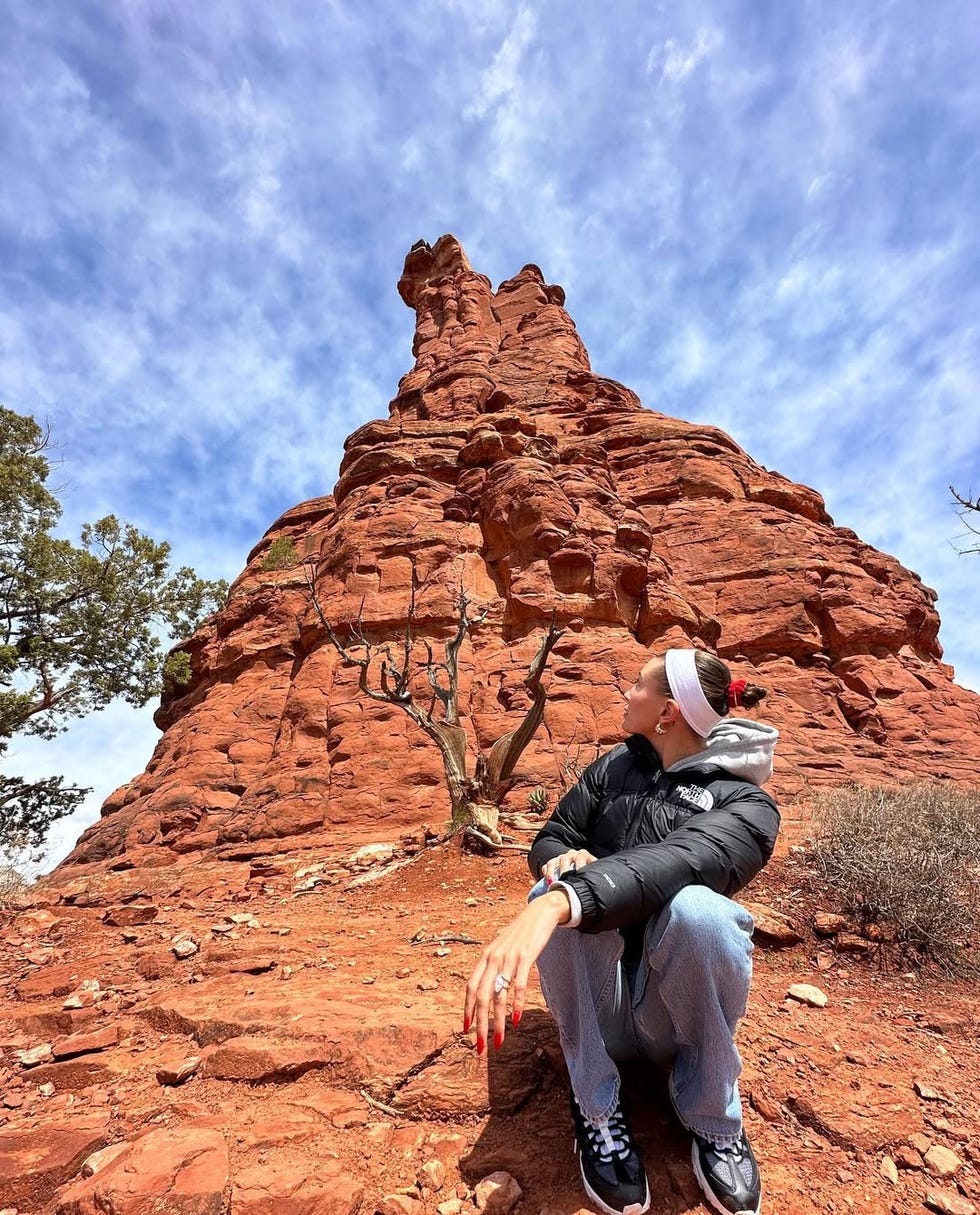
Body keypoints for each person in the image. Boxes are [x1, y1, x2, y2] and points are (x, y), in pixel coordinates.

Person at [463, 648, 779, 1215]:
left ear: (669, 710)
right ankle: (597, 1105)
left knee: (701, 913)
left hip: (668, 1015)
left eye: (639, 685)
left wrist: (560, 903)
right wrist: (559, 864)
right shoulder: (614, 766)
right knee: (552, 888)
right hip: (598, 1006)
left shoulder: (747, 804)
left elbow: (679, 859)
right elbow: (555, 832)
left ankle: (714, 1118)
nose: (627, 693)